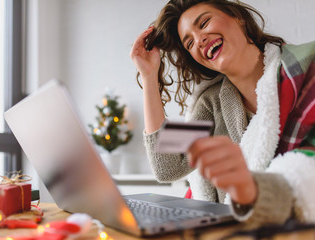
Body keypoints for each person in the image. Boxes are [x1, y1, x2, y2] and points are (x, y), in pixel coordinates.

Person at [130, 0, 315, 227]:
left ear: (238, 17)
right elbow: (167, 167)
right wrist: (149, 76)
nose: (199, 40)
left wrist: (250, 188)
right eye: (189, 43)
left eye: (204, 22)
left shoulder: (307, 68)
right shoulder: (210, 103)